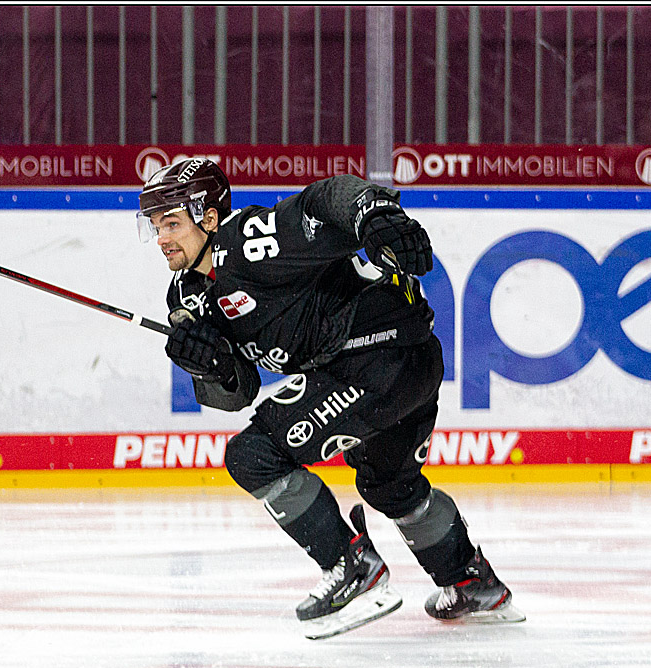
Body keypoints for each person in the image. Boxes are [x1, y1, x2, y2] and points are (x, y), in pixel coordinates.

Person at [137, 157, 524, 640]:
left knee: (253, 456)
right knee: (390, 484)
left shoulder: (249, 242)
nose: (161, 238)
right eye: (154, 226)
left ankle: (353, 568)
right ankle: (472, 582)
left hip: (377, 358)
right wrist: (207, 364)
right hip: (406, 365)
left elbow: (324, 198)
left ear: (209, 217)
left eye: (172, 222)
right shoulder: (187, 298)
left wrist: (375, 214)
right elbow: (237, 392)